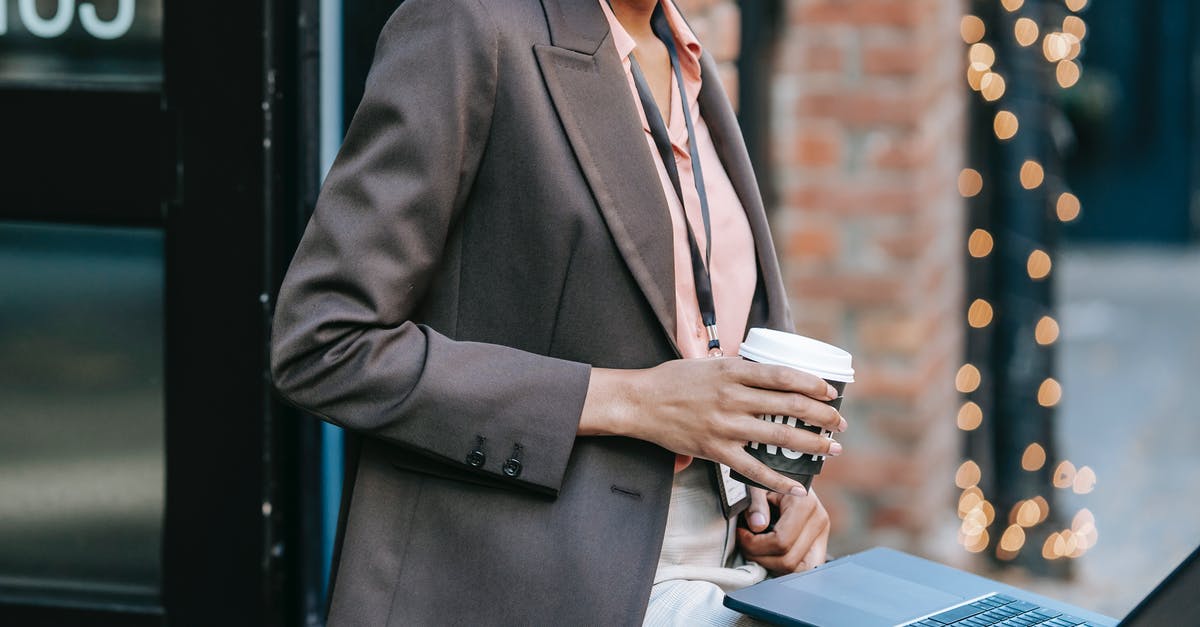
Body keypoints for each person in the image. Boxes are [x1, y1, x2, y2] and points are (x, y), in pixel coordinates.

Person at [270, 0, 846, 624]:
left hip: (734, 567)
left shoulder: (681, 53)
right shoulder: (465, 23)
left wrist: (780, 497)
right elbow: (325, 344)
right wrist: (631, 401)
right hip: (536, 584)